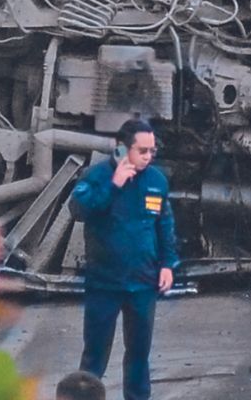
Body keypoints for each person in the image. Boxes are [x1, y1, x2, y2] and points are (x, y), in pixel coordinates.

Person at [69, 119, 178, 400]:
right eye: (142, 151)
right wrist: (113, 185)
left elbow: (164, 224)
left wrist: (168, 264)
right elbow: (78, 209)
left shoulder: (156, 180)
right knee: (94, 356)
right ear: (121, 149)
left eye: (152, 151)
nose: (148, 156)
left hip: (143, 282)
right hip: (104, 283)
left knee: (139, 355)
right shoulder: (95, 176)